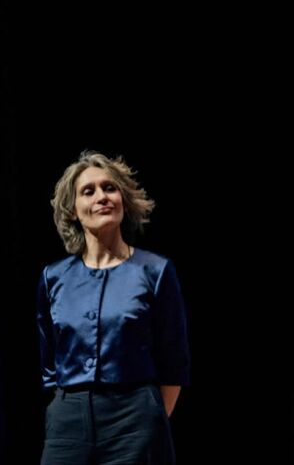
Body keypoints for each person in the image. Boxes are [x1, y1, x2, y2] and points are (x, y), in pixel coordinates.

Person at [37, 150, 191, 464]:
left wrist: (149, 421)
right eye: (88, 191)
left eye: (110, 188)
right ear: (73, 210)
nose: (102, 197)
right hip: (68, 420)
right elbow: (49, 361)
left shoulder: (155, 271)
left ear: (123, 200)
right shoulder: (53, 277)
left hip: (134, 418)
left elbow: (174, 361)